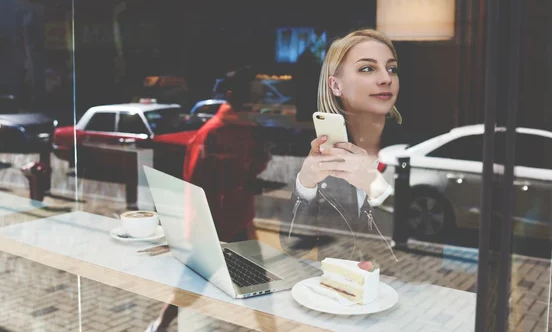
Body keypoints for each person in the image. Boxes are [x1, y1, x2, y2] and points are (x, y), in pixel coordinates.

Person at [147, 66, 271, 332]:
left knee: (254, 289)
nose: (256, 104)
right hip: (216, 225)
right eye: (251, 97)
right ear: (231, 95)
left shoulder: (244, 129)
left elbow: (249, 168)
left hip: (233, 222)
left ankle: (160, 325)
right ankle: (160, 325)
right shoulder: (212, 133)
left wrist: (255, 166)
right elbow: (195, 183)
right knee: (197, 287)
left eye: (257, 98)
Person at [280, 28, 412, 263]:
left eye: (391, 68)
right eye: (367, 68)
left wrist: (376, 187)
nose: (386, 78)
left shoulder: (416, 150)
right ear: (336, 86)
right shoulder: (319, 152)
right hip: (334, 291)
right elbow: (293, 245)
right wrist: (305, 184)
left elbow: (428, 248)